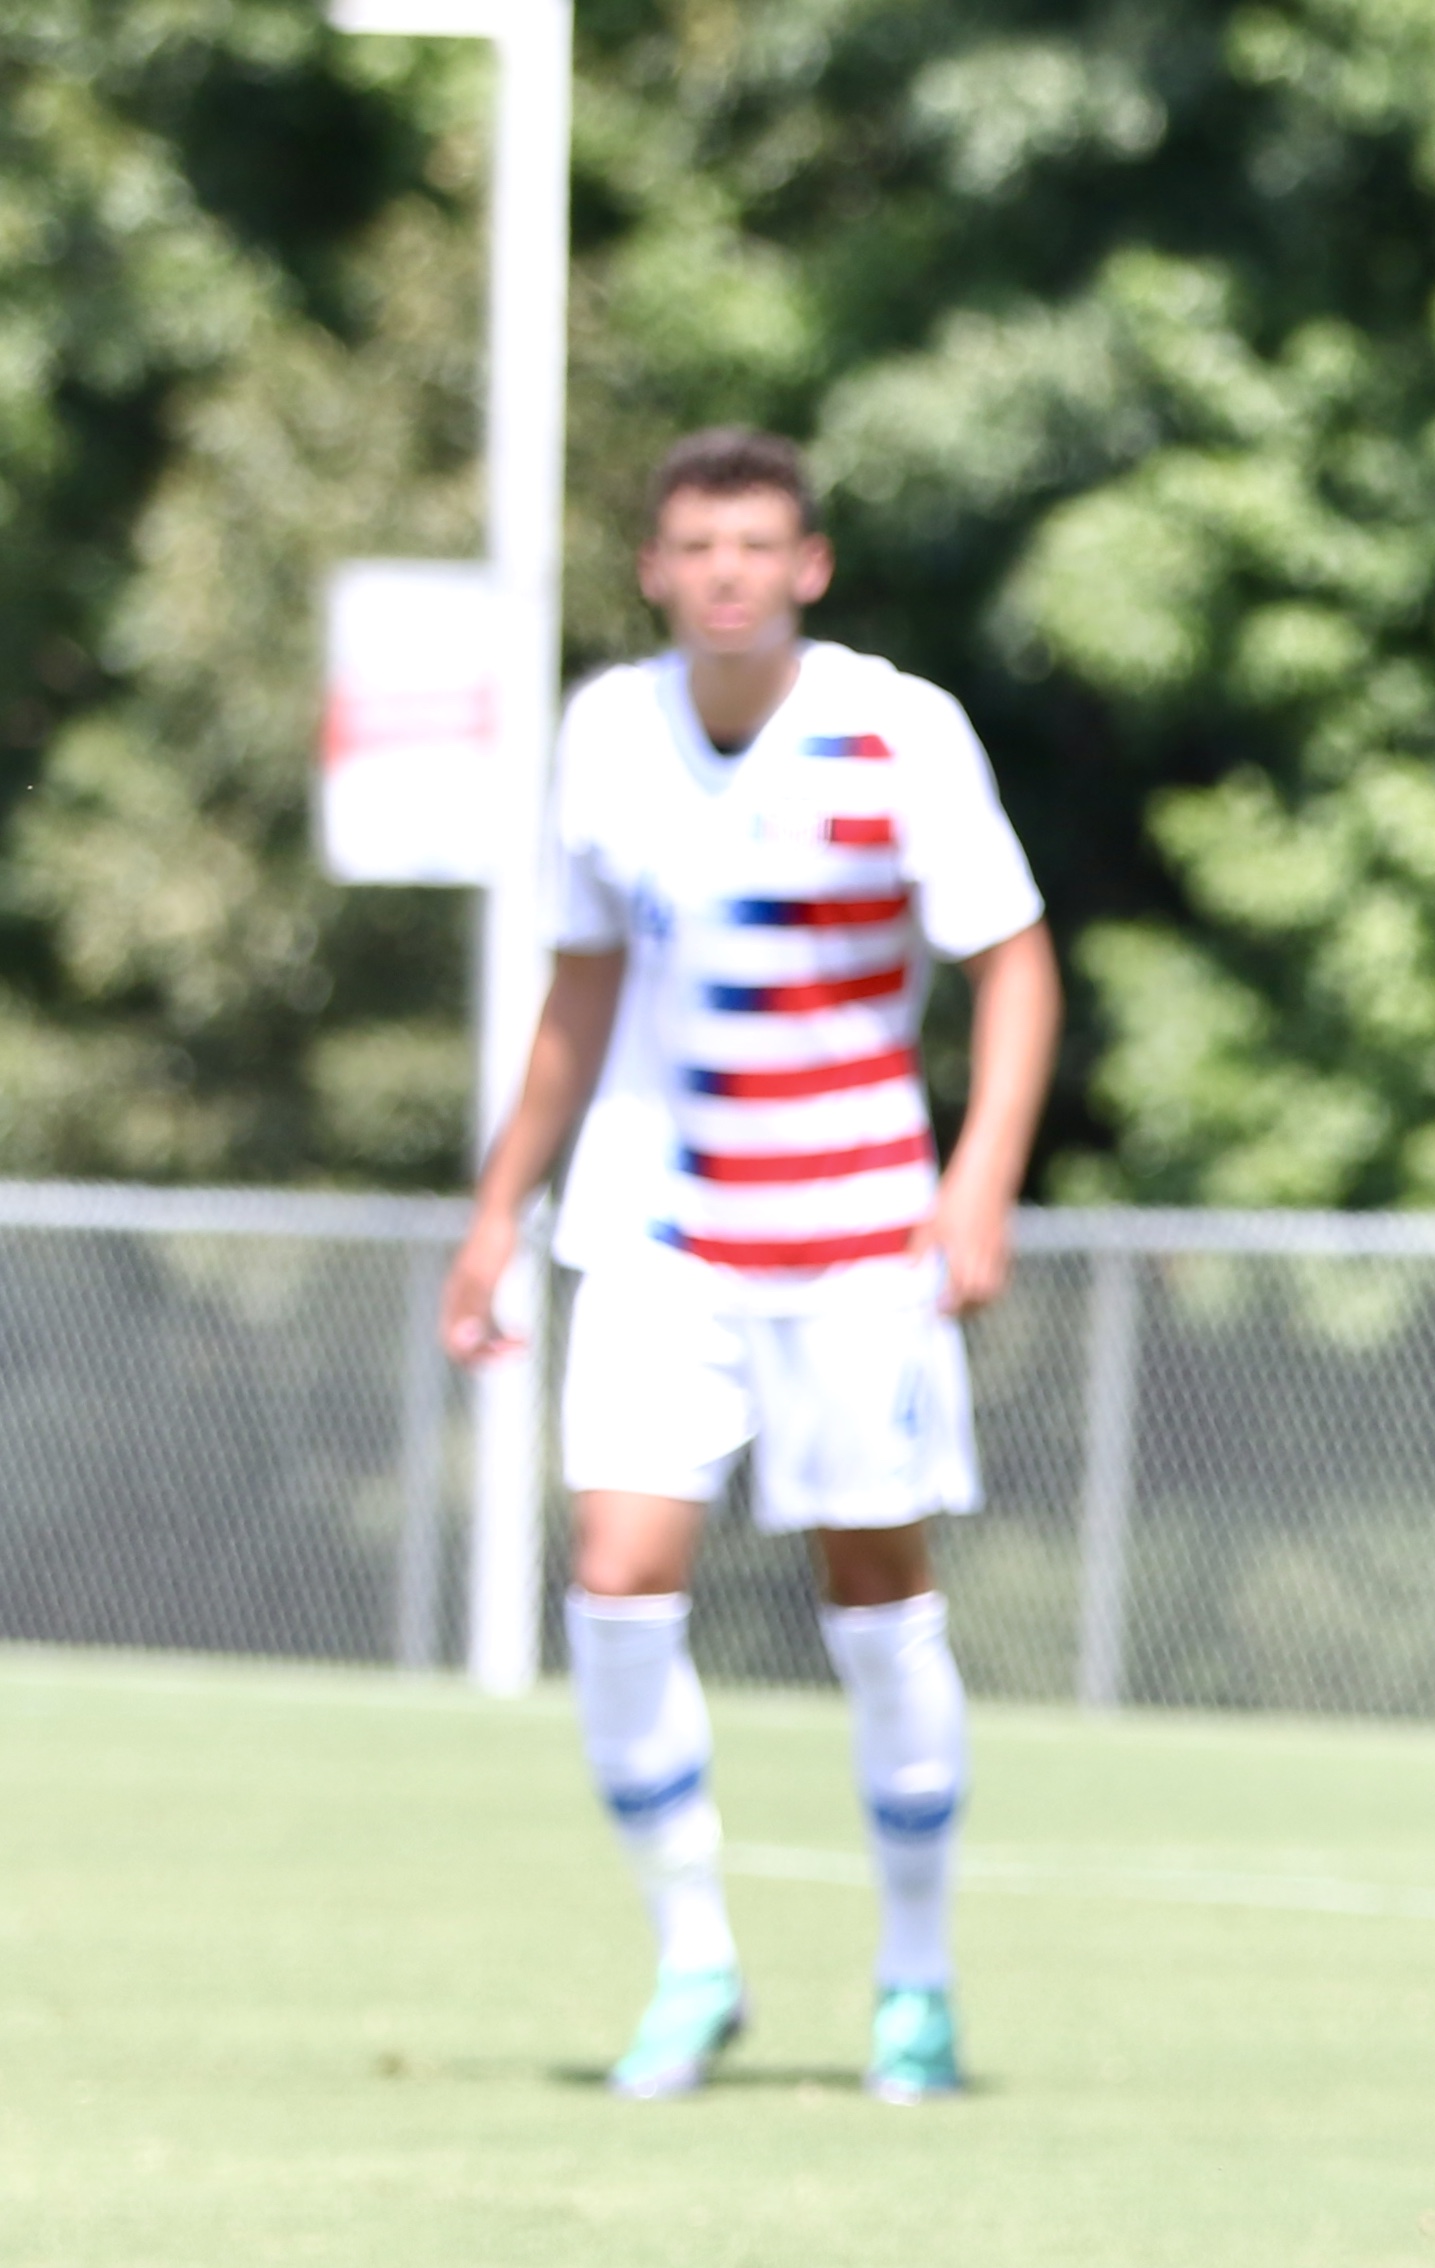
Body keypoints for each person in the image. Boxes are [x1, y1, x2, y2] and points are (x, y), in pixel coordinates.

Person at [436, 427, 1060, 2103]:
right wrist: (500, 1209)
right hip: (659, 1227)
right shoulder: (605, 733)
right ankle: (692, 1957)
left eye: (756, 544)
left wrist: (979, 1183)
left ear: (808, 567)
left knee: (877, 1589)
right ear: (654, 569)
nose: (725, 571)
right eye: (696, 544)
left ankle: (914, 1979)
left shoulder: (897, 728)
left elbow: (1013, 960)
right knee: (618, 1575)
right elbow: (581, 991)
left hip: (857, 1238)